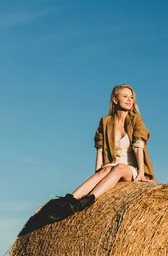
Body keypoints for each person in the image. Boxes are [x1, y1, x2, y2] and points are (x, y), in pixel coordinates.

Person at [53, 84, 155, 217]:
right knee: (106, 169)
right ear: (114, 99)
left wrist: (141, 173)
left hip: (131, 169)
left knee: (119, 167)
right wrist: (98, 172)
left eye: (131, 97)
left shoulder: (135, 120)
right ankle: (70, 200)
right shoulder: (106, 122)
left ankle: (88, 199)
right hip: (111, 166)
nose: (130, 100)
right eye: (125, 96)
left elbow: (139, 146)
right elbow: (100, 148)